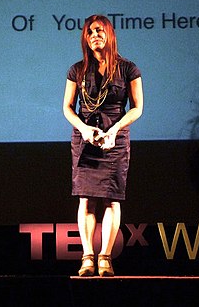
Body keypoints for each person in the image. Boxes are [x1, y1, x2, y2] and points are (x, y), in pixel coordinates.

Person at [63, 14, 143, 276]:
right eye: (89, 32)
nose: (95, 35)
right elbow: (67, 107)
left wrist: (115, 130)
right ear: (85, 39)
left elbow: (137, 108)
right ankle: (87, 257)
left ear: (110, 34)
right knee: (86, 200)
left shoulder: (128, 68)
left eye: (99, 31)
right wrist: (85, 129)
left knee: (111, 199)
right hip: (86, 140)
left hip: (115, 140)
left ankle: (105, 258)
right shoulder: (77, 70)